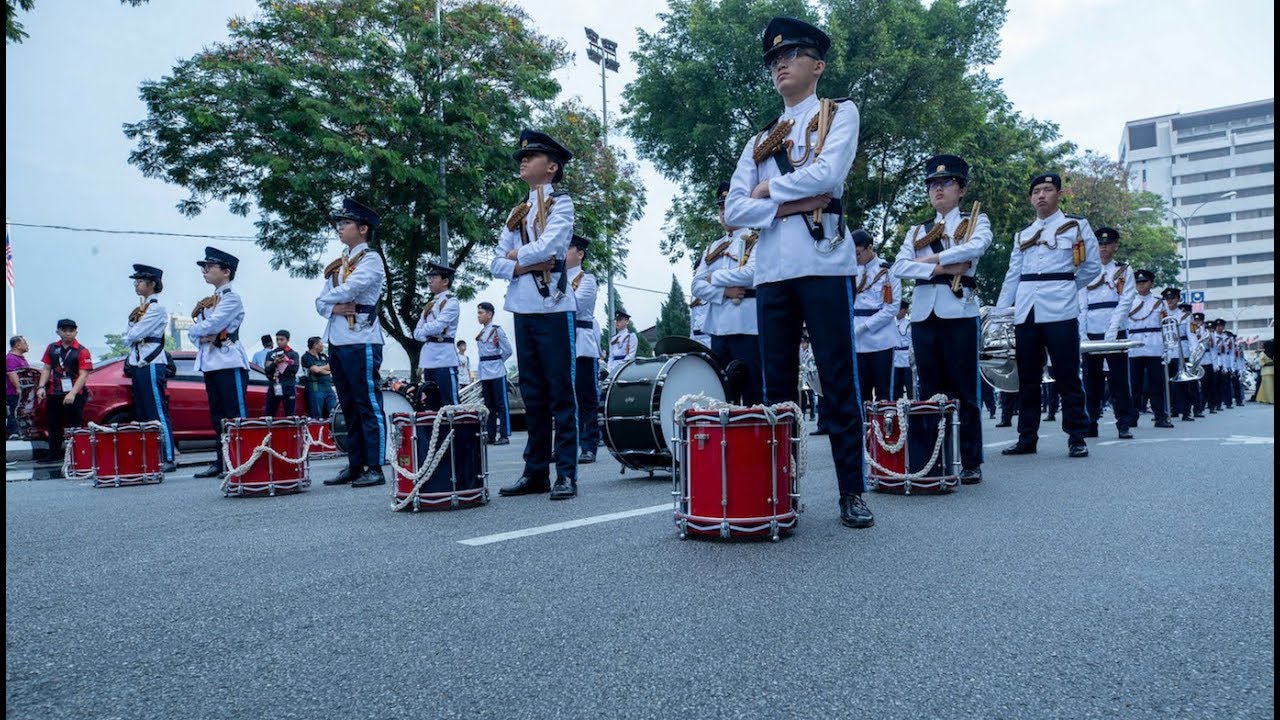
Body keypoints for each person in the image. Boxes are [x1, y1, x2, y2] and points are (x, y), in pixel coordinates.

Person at [724, 16, 872, 528]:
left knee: (836, 379)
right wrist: (790, 200)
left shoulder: (839, 114)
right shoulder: (760, 139)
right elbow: (731, 213)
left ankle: (852, 490)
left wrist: (766, 193)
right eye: (773, 60)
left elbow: (830, 175)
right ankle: (778, 492)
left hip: (824, 264)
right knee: (777, 387)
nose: (780, 64)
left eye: (791, 55)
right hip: (770, 272)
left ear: (818, 64)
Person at [890, 154, 992, 482]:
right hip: (923, 314)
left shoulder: (975, 221)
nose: (938, 189)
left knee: (964, 387)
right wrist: (940, 268)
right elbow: (899, 266)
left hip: (958, 312)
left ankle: (971, 459)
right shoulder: (917, 230)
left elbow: (975, 248)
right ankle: (932, 459)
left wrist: (931, 257)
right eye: (933, 184)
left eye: (946, 182)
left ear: (961, 189)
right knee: (929, 389)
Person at [490, 128, 579, 500]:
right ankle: (536, 470)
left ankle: (567, 473)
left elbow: (553, 246)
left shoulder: (562, 204)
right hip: (523, 309)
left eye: (533, 156)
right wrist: (521, 261)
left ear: (552, 167)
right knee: (533, 393)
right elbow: (495, 263)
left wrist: (516, 258)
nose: (524, 160)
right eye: (523, 157)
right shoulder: (517, 213)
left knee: (561, 392)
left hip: (553, 307)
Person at [996, 173, 1101, 458]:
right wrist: (1001, 311)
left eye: (1047, 190)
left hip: (1061, 309)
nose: (1041, 195)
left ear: (1058, 194)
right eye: (1036, 191)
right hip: (1027, 311)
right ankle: (1026, 438)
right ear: (1031, 198)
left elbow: (1092, 267)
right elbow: (1012, 275)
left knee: (1067, 374)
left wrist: (1065, 286)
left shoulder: (1076, 226)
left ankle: (1077, 436)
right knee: (1028, 377)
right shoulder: (1023, 234)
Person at [316, 197, 388, 488]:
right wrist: (331, 306)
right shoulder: (337, 266)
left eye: (345, 223)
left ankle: (376, 465)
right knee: (347, 405)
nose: (340, 228)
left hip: (362, 339)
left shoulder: (370, 259)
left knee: (367, 403)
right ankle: (355, 464)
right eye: (339, 223)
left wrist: (329, 300)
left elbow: (354, 287)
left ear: (363, 229)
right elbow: (320, 302)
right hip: (338, 338)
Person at [692, 180, 763, 405]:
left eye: (728, 207)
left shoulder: (757, 239)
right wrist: (725, 292)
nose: (724, 213)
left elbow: (752, 274)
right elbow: (696, 286)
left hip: (747, 326)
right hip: (718, 328)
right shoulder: (712, 248)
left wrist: (716, 278)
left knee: (752, 391)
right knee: (723, 394)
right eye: (721, 209)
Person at [188, 247, 250, 478]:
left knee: (234, 415)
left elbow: (211, 325)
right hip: (211, 362)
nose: (205, 271)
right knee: (217, 416)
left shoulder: (231, 298)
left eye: (209, 267)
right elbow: (199, 335)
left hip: (229, 361)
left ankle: (240, 460)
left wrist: (199, 331)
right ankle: (222, 460)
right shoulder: (209, 302)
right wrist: (201, 333)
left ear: (226, 272)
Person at [1076, 227, 1137, 440]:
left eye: (1107, 243)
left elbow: (1125, 302)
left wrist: (1112, 330)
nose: (1103, 247)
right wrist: (1082, 333)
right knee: (1091, 382)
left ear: (1115, 246)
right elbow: (1081, 303)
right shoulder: (1085, 269)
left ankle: (1124, 424)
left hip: (1115, 330)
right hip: (1092, 330)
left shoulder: (1123, 270)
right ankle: (1090, 422)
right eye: (1100, 244)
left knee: (1119, 380)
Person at [121, 264, 176, 472]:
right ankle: (153, 457)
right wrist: (131, 334)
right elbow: (128, 335)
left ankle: (168, 457)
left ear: (151, 284)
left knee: (157, 411)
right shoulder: (139, 311)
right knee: (143, 413)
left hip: (152, 363)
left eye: (139, 281)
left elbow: (133, 335)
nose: (136, 285)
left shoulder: (157, 309)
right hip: (138, 363)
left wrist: (131, 334)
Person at [852, 229, 901, 404]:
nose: (855, 258)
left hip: (881, 339)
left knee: (884, 393)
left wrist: (864, 327)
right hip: (856, 341)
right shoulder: (849, 272)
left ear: (869, 248)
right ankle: (865, 431)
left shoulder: (888, 271)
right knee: (860, 394)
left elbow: (892, 308)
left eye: (857, 253)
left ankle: (885, 430)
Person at [566, 234, 602, 463]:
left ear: (580, 253)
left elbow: (575, 306)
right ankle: (564, 445)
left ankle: (589, 444)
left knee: (586, 397)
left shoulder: (586, 279)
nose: (563, 252)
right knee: (561, 399)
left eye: (568, 248)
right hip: (560, 343)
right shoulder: (552, 278)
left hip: (581, 344)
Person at [36, 319, 92, 462]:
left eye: (71, 330)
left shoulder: (82, 350)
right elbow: (47, 368)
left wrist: (72, 393)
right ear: (58, 332)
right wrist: (41, 387)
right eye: (64, 330)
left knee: (75, 425)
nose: (68, 333)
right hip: (54, 392)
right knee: (53, 424)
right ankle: (54, 453)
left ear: (76, 332)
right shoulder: (52, 348)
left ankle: (79, 455)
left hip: (75, 393)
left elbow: (84, 374)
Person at [1124, 272, 1174, 429]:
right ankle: (1132, 417)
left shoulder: (1160, 304)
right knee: (1134, 386)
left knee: (1156, 385)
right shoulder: (1128, 302)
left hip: (1154, 347)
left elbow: (1168, 327)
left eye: (1144, 282)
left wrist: (1169, 349)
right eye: (1138, 282)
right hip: (1134, 347)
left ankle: (1160, 416)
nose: (1141, 285)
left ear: (1151, 284)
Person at [412, 262, 461, 410]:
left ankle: (455, 433)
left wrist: (424, 331)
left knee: (450, 404)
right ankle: (437, 434)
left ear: (445, 281)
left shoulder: (451, 302)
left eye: (434, 277)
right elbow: (416, 333)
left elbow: (439, 325)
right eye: (429, 277)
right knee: (432, 405)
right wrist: (427, 332)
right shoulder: (430, 304)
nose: (430, 280)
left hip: (444, 359)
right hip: (429, 360)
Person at [475, 302, 514, 446]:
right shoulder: (482, 332)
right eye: (478, 313)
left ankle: (504, 435)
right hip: (485, 373)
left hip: (497, 372)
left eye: (481, 313)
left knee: (501, 406)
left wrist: (498, 361)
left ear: (489, 314)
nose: (478, 316)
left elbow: (508, 350)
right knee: (489, 406)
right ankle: (490, 435)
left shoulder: (497, 330)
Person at [263, 330, 299, 417]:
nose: (279, 342)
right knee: (269, 413)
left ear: (288, 340)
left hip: (288, 386)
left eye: (281, 339)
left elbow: (294, 370)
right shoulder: (271, 353)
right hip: (274, 385)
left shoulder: (293, 354)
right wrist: (275, 362)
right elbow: (267, 370)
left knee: (290, 413)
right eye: (277, 339)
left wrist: (285, 362)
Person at [300, 336, 337, 420]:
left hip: (328, 388)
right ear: (315, 345)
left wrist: (322, 369)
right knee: (316, 415)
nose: (322, 345)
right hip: (315, 389)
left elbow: (332, 366)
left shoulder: (323, 356)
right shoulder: (306, 357)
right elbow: (315, 370)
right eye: (321, 343)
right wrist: (327, 370)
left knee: (333, 412)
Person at [7, 336, 30, 439]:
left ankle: (11, 431)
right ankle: (14, 432)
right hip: (14, 392)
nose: (27, 345)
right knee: (15, 410)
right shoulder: (11, 358)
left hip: (25, 392)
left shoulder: (21, 359)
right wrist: (18, 387)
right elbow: (11, 373)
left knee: (20, 411)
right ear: (17, 345)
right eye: (25, 342)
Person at [890, 301, 913, 401]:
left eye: (901, 309)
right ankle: (895, 412)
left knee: (910, 387)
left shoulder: (910, 324)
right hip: (895, 359)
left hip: (907, 360)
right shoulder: (891, 323)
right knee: (896, 388)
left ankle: (912, 413)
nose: (898, 312)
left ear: (905, 310)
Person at [607, 310, 638, 377]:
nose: (617, 322)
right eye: (616, 320)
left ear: (627, 321)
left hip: (625, 367)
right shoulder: (613, 338)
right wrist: (609, 369)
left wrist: (620, 366)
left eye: (620, 320)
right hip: (612, 368)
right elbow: (611, 356)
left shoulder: (631, 336)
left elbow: (631, 355)